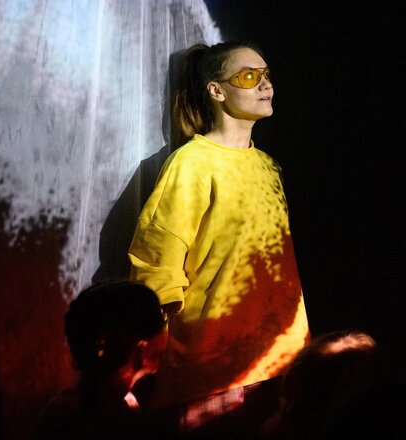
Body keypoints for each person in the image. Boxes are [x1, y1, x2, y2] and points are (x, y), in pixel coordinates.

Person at [127, 40, 311, 433]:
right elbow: (155, 264)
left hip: (282, 360)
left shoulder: (268, 166)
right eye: (249, 76)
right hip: (216, 372)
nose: (265, 85)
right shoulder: (192, 164)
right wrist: (155, 355)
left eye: (267, 75)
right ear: (216, 90)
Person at [30, 278, 167, 440]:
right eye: (161, 321)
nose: (165, 331)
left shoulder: (64, 408)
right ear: (140, 345)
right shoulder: (111, 419)